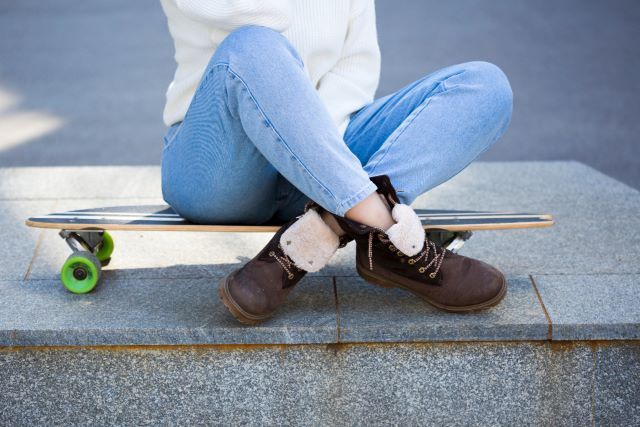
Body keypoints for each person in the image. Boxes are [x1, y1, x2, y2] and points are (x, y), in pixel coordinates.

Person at [159, 0, 513, 324]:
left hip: (321, 161)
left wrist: (311, 158)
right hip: (217, 165)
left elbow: (355, 70)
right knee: (254, 46)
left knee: (485, 87)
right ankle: (383, 226)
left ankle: (318, 231)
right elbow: (257, 16)